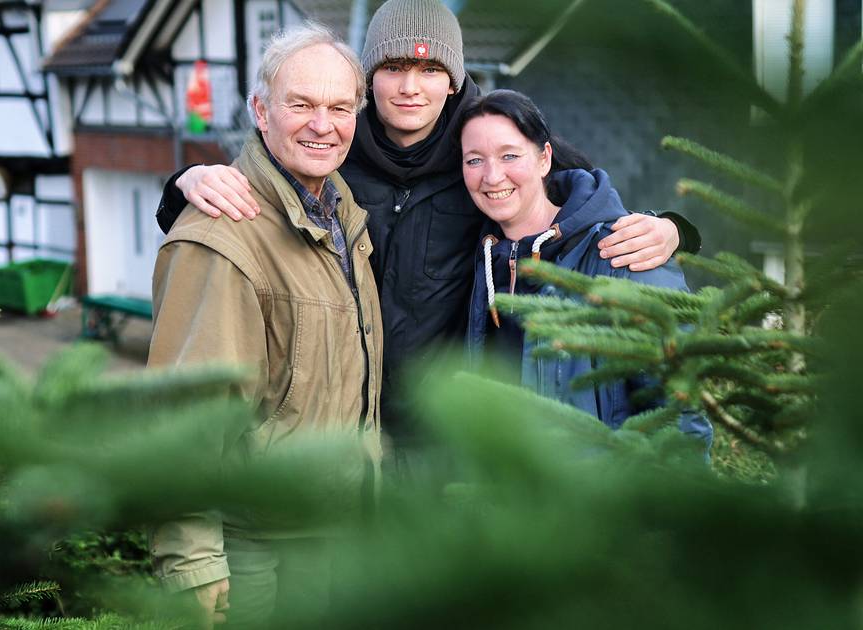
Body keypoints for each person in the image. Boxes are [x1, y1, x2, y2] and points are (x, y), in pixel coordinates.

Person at [156, 0, 699, 450]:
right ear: (369, 80)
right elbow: (254, 189)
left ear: (454, 80)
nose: (410, 87)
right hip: (343, 428)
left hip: (443, 434)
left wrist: (672, 228)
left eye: (430, 70)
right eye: (393, 68)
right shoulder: (333, 141)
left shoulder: (486, 145)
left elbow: (585, 201)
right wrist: (186, 179)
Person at [147, 23, 381, 628]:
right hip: (253, 549)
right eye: (300, 104)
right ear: (260, 109)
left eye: (339, 107)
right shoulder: (222, 235)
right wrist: (192, 562)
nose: (321, 124)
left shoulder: (341, 216)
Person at [459, 89, 711, 442]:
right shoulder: (485, 257)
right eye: (474, 160)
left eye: (509, 155)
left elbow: (681, 417)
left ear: (544, 158)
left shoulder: (623, 251)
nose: (492, 176)